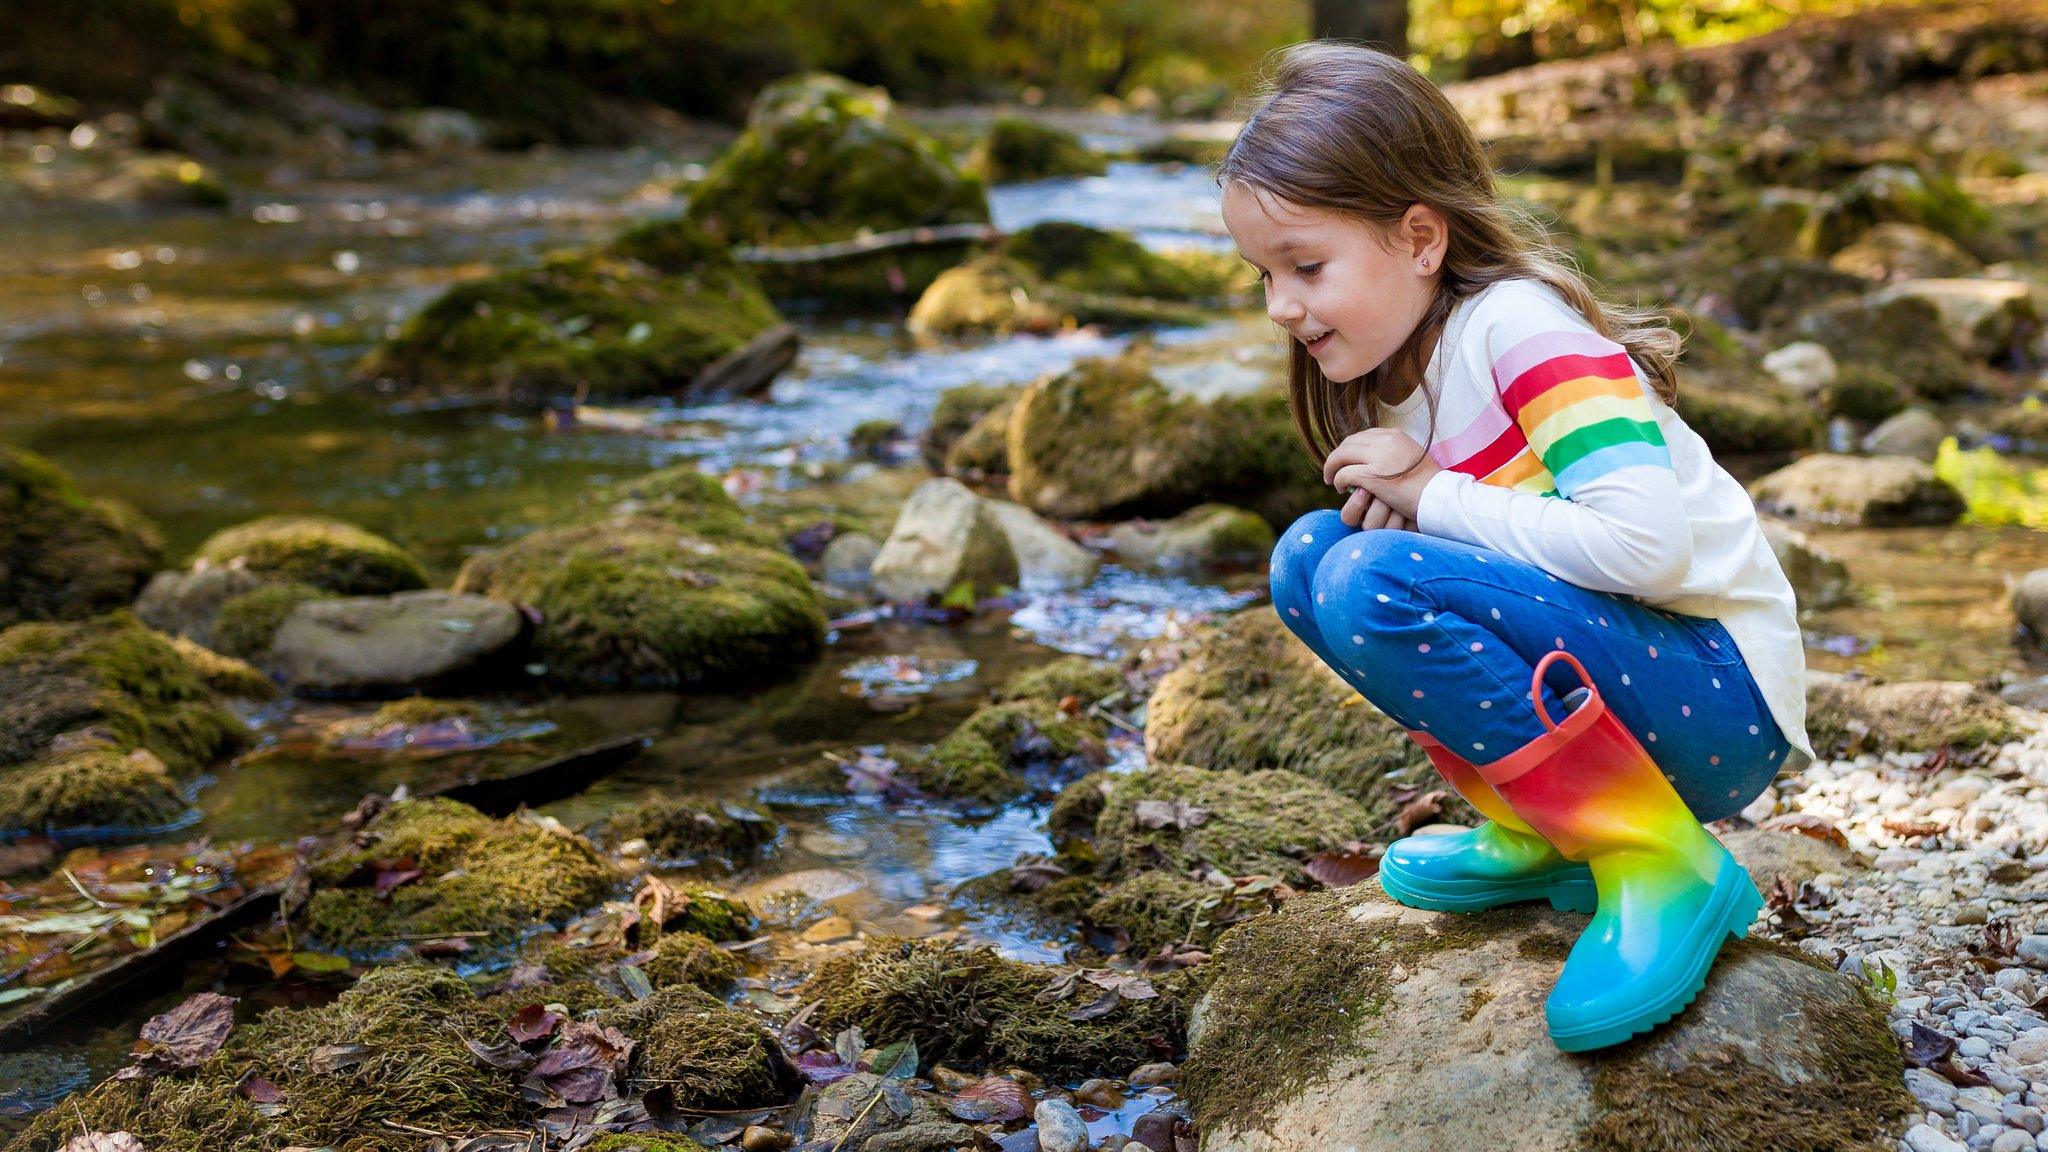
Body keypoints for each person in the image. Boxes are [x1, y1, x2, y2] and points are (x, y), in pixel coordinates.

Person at [1220, 41, 1814, 1054]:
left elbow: (1648, 552)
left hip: (1718, 695)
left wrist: (1431, 497)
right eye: (1262, 275)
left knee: (1367, 578)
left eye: (1304, 267)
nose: (1279, 306)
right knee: (1307, 559)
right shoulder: (1403, 369)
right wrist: (1423, 513)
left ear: (1417, 237)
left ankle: (1658, 862)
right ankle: (1546, 832)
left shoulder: (1519, 330)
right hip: (1629, 689)